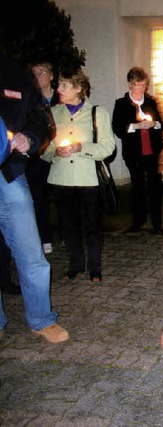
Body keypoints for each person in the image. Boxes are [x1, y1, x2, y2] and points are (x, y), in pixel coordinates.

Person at [0, 52, 69, 343]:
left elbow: (40, 118)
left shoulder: (14, 73)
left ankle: (41, 318)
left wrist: (29, 136)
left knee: (31, 252)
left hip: (8, 176)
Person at [41, 68, 116, 283]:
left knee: (92, 225)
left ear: (79, 88)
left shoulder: (97, 113)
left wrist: (80, 147)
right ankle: (75, 264)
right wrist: (55, 152)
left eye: (64, 85)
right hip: (61, 178)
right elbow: (44, 149)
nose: (59, 89)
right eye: (59, 85)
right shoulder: (53, 113)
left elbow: (107, 147)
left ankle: (95, 267)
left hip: (88, 179)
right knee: (68, 225)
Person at [112, 67, 163, 234]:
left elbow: (161, 122)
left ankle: (157, 223)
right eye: (137, 85)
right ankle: (138, 221)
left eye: (143, 85)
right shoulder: (121, 104)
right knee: (138, 186)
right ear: (130, 84)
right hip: (134, 152)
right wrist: (135, 126)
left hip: (151, 150)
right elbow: (118, 128)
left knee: (154, 187)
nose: (141, 89)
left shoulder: (151, 102)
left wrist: (154, 124)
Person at [28, 62, 58, 254]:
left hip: (61, 153)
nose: (38, 76)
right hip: (38, 154)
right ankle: (44, 237)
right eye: (35, 73)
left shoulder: (62, 97)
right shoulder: (31, 99)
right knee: (38, 197)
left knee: (62, 195)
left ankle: (66, 234)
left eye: (42, 73)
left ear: (51, 76)